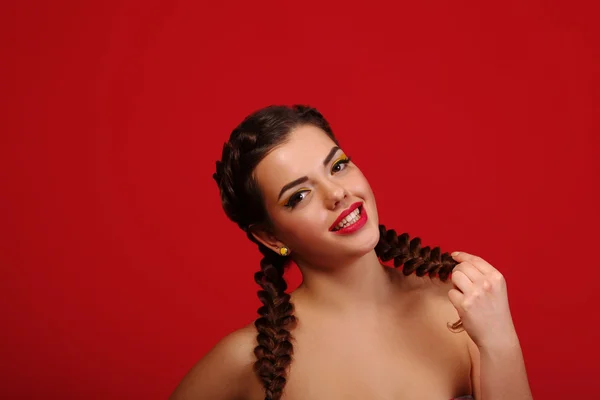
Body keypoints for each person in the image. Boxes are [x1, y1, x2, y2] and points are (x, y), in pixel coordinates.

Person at [170, 105, 532, 400]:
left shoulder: (459, 311)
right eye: (299, 195)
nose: (337, 194)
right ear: (268, 236)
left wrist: (500, 339)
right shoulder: (252, 359)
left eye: (338, 166)